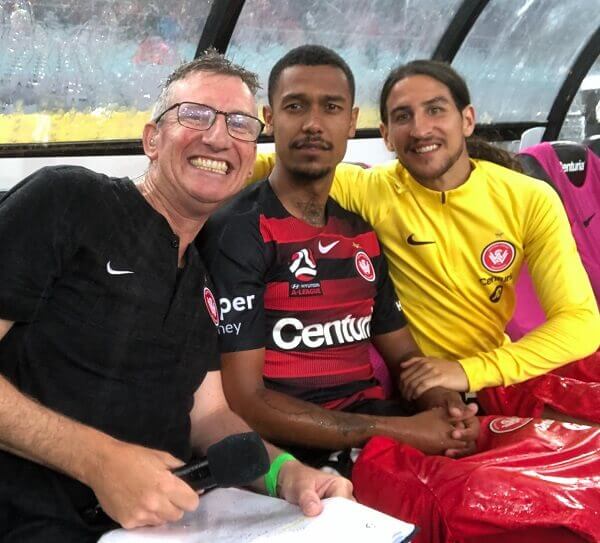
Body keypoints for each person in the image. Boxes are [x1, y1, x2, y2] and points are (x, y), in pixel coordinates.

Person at [0, 50, 353, 543]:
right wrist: (101, 462)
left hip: (166, 527)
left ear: (252, 152)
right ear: (151, 138)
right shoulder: (69, 201)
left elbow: (208, 415)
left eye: (240, 124)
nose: (217, 136)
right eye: (195, 115)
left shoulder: (204, 282)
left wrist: (287, 474)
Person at [254, 59, 600, 424]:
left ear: (467, 119)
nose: (420, 129)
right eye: (403, 117)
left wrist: (468, 371)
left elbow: (580, 322)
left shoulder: (528, 197)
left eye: (435, 110)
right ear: (386, 135)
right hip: (416, 392)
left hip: (495, 375)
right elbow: (269, 165)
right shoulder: (371, 189)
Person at [198, 46, 479, 472]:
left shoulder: (360, 232)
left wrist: (445, 406)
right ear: (270, 119)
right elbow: (245, 402)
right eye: (295, 106)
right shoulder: (241, 231)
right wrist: (403, 432)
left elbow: (404, 358)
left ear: (351, 122)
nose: (313, 123)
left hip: (377, 432)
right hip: (302, 455)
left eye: (331, 108)